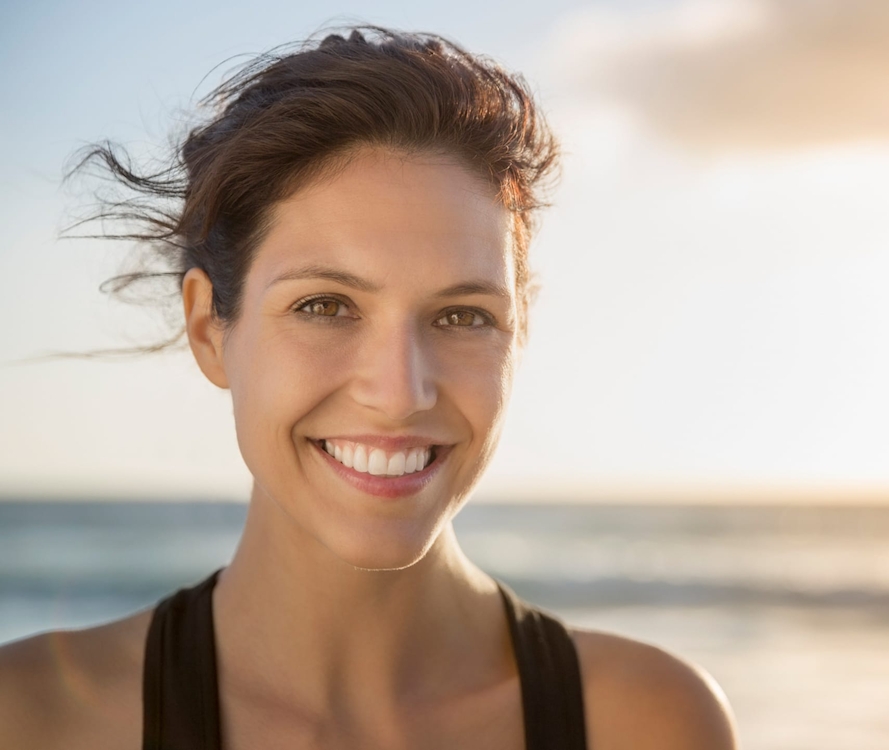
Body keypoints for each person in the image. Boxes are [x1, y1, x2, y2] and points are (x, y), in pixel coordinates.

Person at [0, 26, 738, 749]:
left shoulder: (647, 724)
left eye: (462, 315)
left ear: (519, 331)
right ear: (208, 328)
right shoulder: (32, 719)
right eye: (325, 306)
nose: (399, 392)